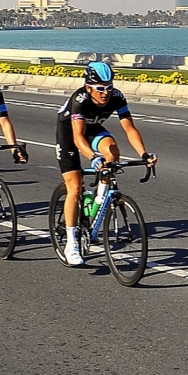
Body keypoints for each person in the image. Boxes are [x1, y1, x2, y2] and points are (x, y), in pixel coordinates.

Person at [53, 62, 154, 266]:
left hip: (93, 128)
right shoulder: (79, 99)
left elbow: (130, 129)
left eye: (109, 87)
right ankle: (71, 243)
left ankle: (100, 196)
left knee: (113, 151)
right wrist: (92, 156)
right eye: (100, 88)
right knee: (74, 187)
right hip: (70, 133)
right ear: (89, 87)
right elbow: (78, 137)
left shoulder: (117, 96)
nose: (105, 92)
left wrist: (144, 154)